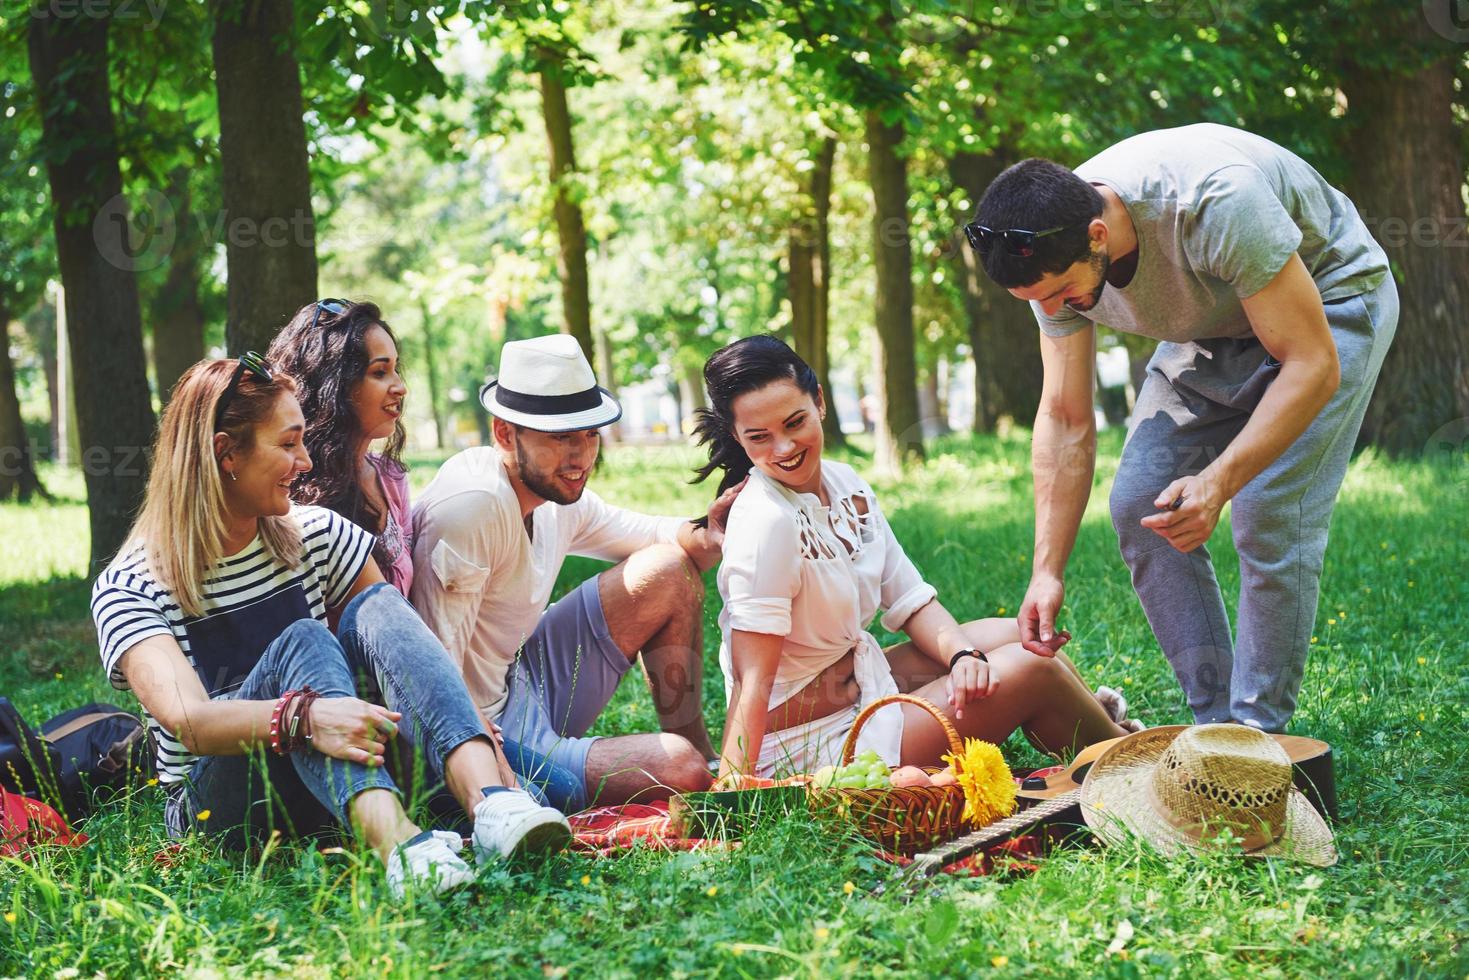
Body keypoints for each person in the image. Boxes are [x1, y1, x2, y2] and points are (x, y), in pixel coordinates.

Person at [966, 123, 1396, 733]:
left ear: (1098, 236)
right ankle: (1216, 725)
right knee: (1143, 502)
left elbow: (1311, 363)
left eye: (1062, 293)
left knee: (1266, 507)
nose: (1054, 311)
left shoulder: (1215, 204)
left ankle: (1258, 739)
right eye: (1038, 301)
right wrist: (1046, 570)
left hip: (1329, 305)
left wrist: (1218, 482)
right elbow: (1064, 418)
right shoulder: (1044, 247)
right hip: (1212, 328)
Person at [90, 355, 570, 899]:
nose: (305, 461)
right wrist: (306, 718)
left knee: (380, 606)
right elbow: (190, 721)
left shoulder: (315, 533)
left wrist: (452, 711)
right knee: (305, 639)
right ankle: (403, 850)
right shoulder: (131, 584)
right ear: (226, 453)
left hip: (337, 773)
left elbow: (396, 640)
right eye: (289, 443)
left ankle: (494, 803)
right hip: (220, 807)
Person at [691, 336, 1129, 782]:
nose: (783, 448)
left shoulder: (847, 485)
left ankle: (1100, 731)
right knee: (1033, 668)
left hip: (863, 685)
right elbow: (751, 680)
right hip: (811, 744)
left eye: (794, 422)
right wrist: (734, 789)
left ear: (820, 402)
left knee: (1014, 635)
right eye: (759, 438)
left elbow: (910, 599)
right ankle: (1134, 758)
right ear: (735, 436)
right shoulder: (765, 521)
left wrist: (962, 658)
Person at [410, 334, 737, 812]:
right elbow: (428, 683)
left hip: (521, 679)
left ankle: (711, 763)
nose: (582, 456)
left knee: (668, 569)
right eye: (561, 436)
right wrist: (495, 780)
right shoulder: (473, 508)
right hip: (479, 730)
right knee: (677, 770)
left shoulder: (556, 497)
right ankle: (689, 768)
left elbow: (662, 538)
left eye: (589, 434)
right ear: (505, 434)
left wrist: (722, 526)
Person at [266, 299, 413, 596]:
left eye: (396, 370)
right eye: (380, 372)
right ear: (336, 385)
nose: (400, 387)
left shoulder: (392, 479)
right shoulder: (288, 488)